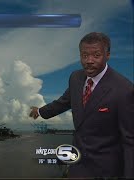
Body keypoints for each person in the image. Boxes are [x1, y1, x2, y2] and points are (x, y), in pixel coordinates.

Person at [29, 32, 133, 178]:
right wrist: (40, 111)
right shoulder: (76, 78)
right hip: (78, 163)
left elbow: (130, 141)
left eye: (96, 55)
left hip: (106, 170)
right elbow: (64, 102)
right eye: (84, 55)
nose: (89, 61)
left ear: (107, 55)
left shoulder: (124, 90)